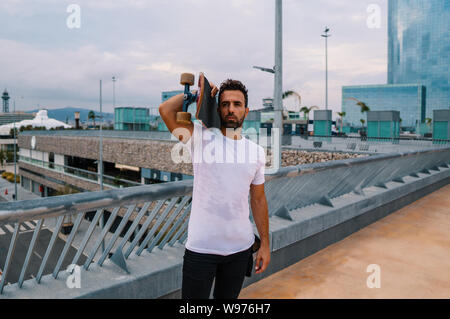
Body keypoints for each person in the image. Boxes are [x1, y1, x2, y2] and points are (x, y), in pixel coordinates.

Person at [159, 76, 270, 299]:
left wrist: (265, 244)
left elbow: (258, 200)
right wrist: (197, 95)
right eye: (225, 104)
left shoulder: (256, 152)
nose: (231, 109)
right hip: (201, 249)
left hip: (240, 249)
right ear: (218, 109)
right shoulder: (200, 137)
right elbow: (165, 110)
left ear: (246, 111)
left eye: (237, 104)